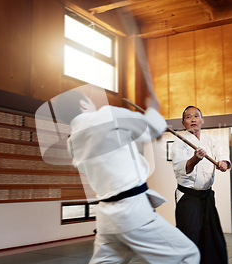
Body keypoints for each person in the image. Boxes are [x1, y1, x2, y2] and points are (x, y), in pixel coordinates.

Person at [54, 89, 200, 264]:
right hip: (131, 210)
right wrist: (153, 109)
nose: (94, 104)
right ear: (83, 104)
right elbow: (152, 128)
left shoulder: (72, 141)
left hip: (106, 215)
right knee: (187, 255)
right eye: (89, 101)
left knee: (108, 261)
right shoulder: (105, 115)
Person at [171, 105, 230, 264]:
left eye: (196, 116)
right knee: (189, 235)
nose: (193, 120)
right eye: (188, 117)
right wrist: (195, 159)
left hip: (206, 196)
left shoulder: (210, 139)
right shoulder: (179, 142)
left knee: (211, 236)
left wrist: (223, 163)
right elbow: (182, 168)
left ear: (202, 120)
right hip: (188, 198)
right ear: (183, 123)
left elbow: (222, 154)